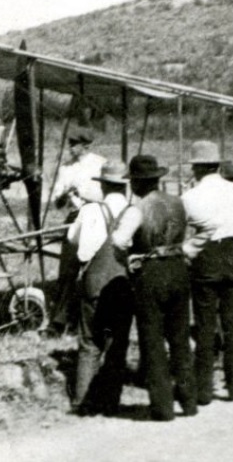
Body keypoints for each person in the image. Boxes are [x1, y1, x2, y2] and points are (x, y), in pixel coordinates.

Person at [112, 154, 196, 420]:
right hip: (178, 268)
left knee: (153, 340)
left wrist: (129, 260)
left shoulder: (137, 209)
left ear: (136, 183)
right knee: (180, 337)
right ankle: (189, 401)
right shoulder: (178, 203)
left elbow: (119, 240)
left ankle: (162, 407)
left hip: (151, 272)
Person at [181, 141, 233, 404]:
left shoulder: (189, 196)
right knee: (232, 324)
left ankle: (204, 390)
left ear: (195, 167)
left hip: (205, 255)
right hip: (232, 253)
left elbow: (177, 230)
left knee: (205, 326)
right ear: (217, 165)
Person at [66, 161, 137, 415]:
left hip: (93, 281)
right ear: (124, 185)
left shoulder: (90, 210)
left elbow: (72, 240)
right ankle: (110, 402)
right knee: (117, 344)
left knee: (89, 343)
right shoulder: (133, 211)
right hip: (121, 283)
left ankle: (82, 402)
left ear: (104, 185)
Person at [48, 130, 107, 334]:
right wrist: (64, 194)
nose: (71, 147)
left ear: (86, 145)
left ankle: (88, 320)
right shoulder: (66, 168)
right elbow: (57, 201)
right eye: (70, 143)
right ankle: (59, 321)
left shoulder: (100, 164)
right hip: (75, 216)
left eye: (75, 144)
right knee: (68, 270)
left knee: (94, 269)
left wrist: (82, 192)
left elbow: (105, 194)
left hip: (96, 216)